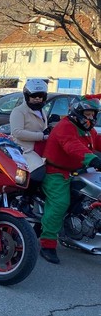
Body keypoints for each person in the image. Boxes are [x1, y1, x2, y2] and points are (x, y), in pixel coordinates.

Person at [38, 97, 101, 264]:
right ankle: (48, 244)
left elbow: (98, 141)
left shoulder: (87, 129)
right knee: (60, 203)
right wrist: (92, 159)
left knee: (93, 197)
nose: (91, 118)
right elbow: (71, 146)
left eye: (93, 114)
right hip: (57, 172)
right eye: (87, 114)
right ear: (77, 113)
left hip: (79, 171)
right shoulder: (65, 127)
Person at [9, 79, 49, 216]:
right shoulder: (18, 111)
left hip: (40, 147)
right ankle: (24, 200)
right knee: (38, 172)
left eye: (41, 96)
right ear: (27, 96)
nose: (37, 99)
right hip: (24, 149)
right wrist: (41, 136)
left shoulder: (42, 111)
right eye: (34, 96)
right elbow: (17, 132)